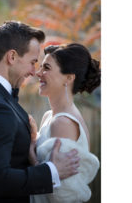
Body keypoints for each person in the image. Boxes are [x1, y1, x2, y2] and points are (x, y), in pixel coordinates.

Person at [0, 21, 80, 203]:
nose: (33, 72)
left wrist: (30, 152)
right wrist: (52, 171)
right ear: (12, 57)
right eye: (32, 62)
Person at [29, 43, 101, 203]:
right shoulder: (50, 117)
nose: (39, 73)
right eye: (40, 66)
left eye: (46, 68)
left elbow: (61, 194)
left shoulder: (63, 123)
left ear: (68, 78)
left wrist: (32, 157)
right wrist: (34, 139)